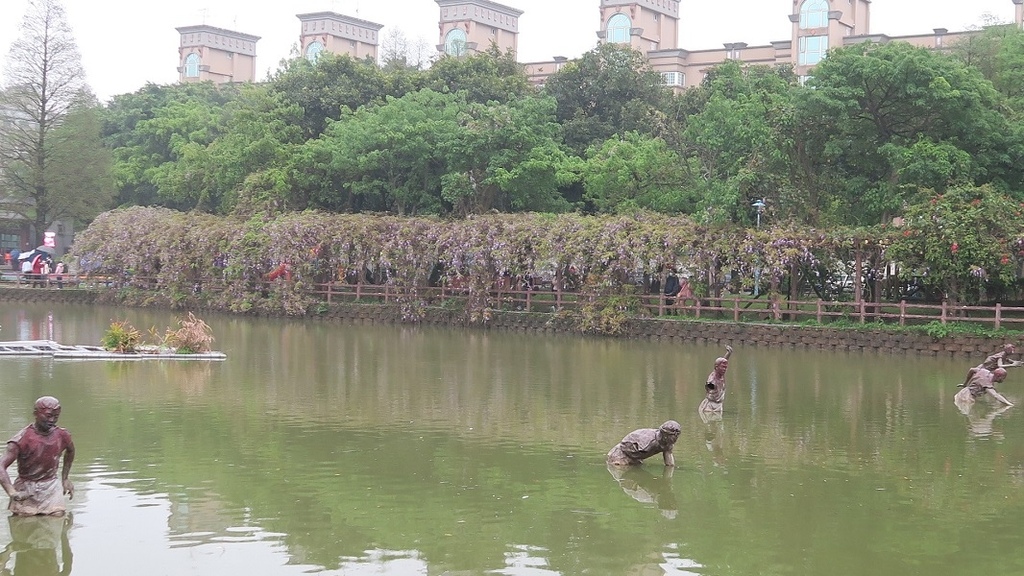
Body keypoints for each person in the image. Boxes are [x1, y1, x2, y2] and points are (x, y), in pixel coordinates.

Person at [0, 397, 76, 516]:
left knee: (57, 515)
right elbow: (1, 466)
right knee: (25, 520)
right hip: (26, 486)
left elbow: (70, 451)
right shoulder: (21, 439)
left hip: (50, 484)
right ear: (36, 413)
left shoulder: (62, 435)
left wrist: (65, 478)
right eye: (48, 416)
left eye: (56, 416)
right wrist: (12, 492)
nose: (52, 420)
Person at [606, 420, 681, 467]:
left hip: (636, 458)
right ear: (664, 435)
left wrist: (671, 469)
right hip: (621, 454)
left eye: (676, 435)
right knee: (620, 467)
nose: (675, 438)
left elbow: (669, 462)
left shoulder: (667, 443)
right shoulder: (649, 440)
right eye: (672, 435)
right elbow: (624, 446)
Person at [699, 345, 734, 413]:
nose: (724, 369)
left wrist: (728, 353)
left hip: (718, 405)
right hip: (710, 407)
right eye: (723, 367)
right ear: (716, 367)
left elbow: (724, 361)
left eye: (725, 367)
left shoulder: (720, 374)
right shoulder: (712, 380)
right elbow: (708, 387)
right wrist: (710, 387)